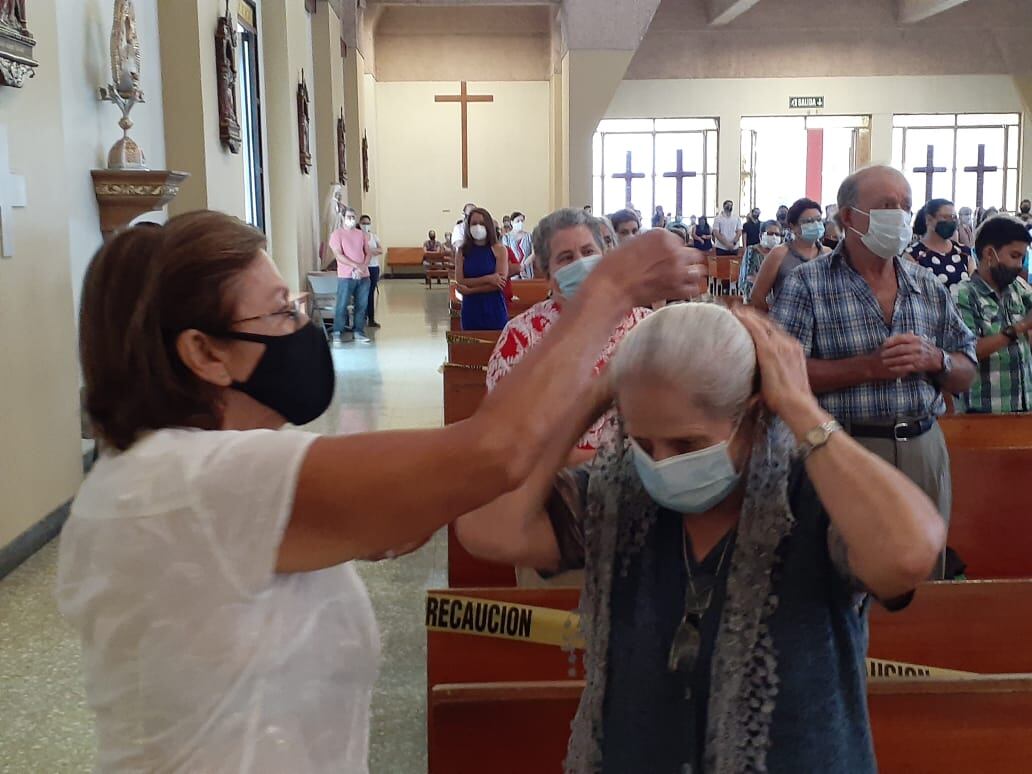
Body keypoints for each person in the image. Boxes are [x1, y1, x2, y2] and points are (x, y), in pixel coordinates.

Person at [58, 211, 704, 773]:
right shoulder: (193, 481)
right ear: (204, 352)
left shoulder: (186, 472)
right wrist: (610, 288)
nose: (299, 327)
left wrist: (402, 503)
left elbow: (404, 509)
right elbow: (495, 449)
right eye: (282, 311)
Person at [456, 302, 945, 773]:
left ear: (753, 416)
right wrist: (593, 397)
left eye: (688, 444)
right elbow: (486, 527)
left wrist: (799, 406)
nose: (663, 463)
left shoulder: (814, 496)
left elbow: (909, 551)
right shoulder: (623, 494)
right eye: (643, 443)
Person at [772, 166, 976, 549]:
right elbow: (782, 375)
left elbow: (966, 371)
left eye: (906, 206)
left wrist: (938, 360)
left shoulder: (927, 285)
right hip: (844, 449)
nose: (899, 215)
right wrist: (867, 367)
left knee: (921, 576)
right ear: (849, 217)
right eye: (886, 205)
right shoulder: (808, 283)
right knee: (842, 576)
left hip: (923, 448)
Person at [488, 207, 652, 464]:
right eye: (565, 258)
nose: (580, 263)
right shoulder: (521, 337)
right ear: (547, 273)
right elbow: (508, 435)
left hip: (644, 479)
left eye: (588, 252)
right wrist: (599, 463)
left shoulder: (643, 326)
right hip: (554, 486)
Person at [953, 215, 1032, 413]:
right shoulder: (962, 295)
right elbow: (970, 351)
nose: (1019, 265)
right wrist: (1019, 328)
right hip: (984, 410)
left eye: (1023, 258)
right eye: (1014, 256)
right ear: (990, 253)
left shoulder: (1017, 288)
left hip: (1023, 405)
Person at [750, 198, 832, 314]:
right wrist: (772, 323)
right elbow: (757, 295)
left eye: (818, 220)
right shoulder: (779, 254)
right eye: (808, 221)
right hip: (787, 325)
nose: (815, 225)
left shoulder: (828, 254)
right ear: (793, 226)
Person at [455, 207, 509, 331]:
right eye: (474, 224)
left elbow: (499, 284)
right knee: (473, 347)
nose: (477, 227)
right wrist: (489, 278)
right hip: (471, 309)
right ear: (468, 226)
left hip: (494, 307)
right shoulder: (462, 251)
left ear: (488, 225)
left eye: (481, 223)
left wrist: (470, 291)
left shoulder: (499, 249)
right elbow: (460, 281)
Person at [903, 198, 974, 290]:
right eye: (945, 217)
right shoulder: (912, 255)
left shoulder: (964, 252)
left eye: (953, 217)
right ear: (929, 219)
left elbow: (974, 288)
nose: (951, 221)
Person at [329, 205, 371, 343]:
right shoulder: (337, 234)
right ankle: (337, 332)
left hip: (363, 276)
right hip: (346, 276)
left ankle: (358, 331)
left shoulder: (361, 234)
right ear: (343, 218)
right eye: (349, 217)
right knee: (342, 304)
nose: (351, 220)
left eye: (353, 217)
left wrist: (363, 267)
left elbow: (368, 252)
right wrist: (355, 266)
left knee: (361, 305)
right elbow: (338, 255)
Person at [738, 220, 782, 302]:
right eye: (770, 233)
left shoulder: (781, 253)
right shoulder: (752, 251)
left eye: (777, 234)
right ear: (761, 235)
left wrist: (760, 280)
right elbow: (748, 279)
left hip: (777, 302)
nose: (774, 237)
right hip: (753, 299)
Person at [359, 214, 383, 329]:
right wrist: (369, 251)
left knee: (370, 293)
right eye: (363, 223)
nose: (366, 225)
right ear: (359, 224)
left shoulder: (374, 237)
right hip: (362, 267)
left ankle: (371, 319)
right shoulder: (357, 237)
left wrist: (368, 251)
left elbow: (380, 250)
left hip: (373, 267)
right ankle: (361, 317)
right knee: (361, 293)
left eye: (368, 223)